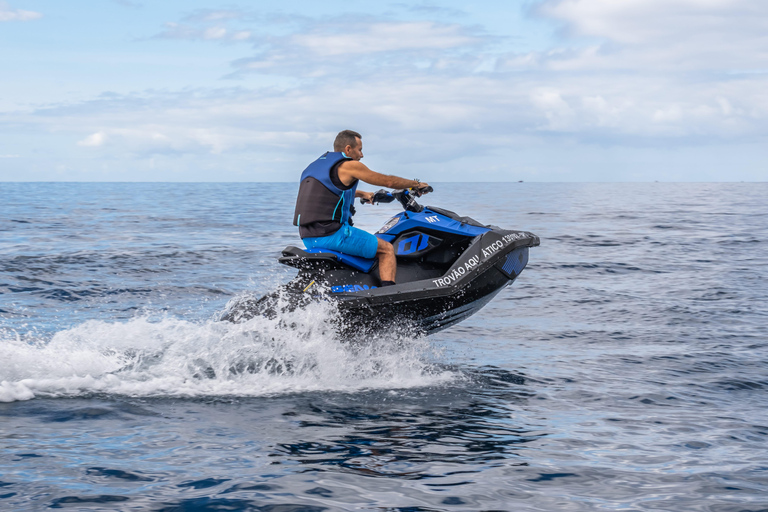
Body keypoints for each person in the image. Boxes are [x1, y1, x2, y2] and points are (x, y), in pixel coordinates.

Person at [293, 130, 430, 286]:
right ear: (348, 149)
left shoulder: (314, 167)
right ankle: (388, 297)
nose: (362, 155)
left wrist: (363, 194)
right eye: (360, 150)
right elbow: (388, 182)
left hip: (308, 237)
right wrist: (415, 184)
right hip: (332, 234)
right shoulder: (349, 165)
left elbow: (329, 192)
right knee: (386, 249)